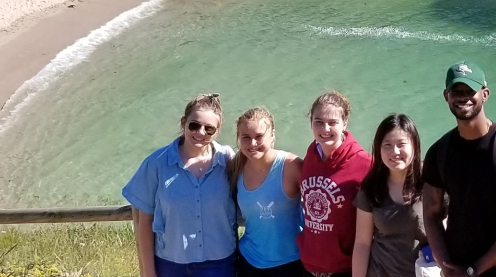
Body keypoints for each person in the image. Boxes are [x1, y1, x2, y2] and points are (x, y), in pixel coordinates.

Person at [423, 61, 496, 277]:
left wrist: (474, 269)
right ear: (446, 95)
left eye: (470, 91)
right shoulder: (439, 152)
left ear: (485, 94)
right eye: (456, 91)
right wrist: (445, 263)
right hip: (458, 270)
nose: (463, 97)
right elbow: (431, 214)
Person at [123, 93, 238, 277]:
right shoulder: (156, 164)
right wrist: (148, 271)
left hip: (220, 264)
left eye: (209, 129)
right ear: (184, 122)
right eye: (194, 125)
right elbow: (144, 222)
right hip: (170, 265)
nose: (201, 133)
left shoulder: (228, 161)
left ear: (217, 131)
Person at [297, 91, 372, 277]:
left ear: (344, 123)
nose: (325, 129)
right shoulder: (311, 155)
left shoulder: (364, 163)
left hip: (344, 268)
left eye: (333, 123)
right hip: (309, 264)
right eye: (319, 122)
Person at [230, 107, 304, 277]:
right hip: (249, 261)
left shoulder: (292, 166)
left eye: (259, 137)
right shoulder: (235, 167)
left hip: (291, 262)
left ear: (272, 135)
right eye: (246, 138)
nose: (252, 144)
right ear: (238, 138)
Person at [352, 114, 427, 277]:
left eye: (401, 144)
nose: (395, 152)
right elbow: (362, 244)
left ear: (414, 145)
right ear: (378, 148)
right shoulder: (372, 186)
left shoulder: (430, 182)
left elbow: (448, 233)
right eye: (387, 145)